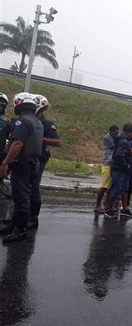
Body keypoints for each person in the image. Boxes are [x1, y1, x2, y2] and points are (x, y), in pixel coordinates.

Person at [0, 93, 43, 243]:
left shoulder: (22, 122)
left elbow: (17, 144)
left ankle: (20, 230)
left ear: (20, 104)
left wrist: (5, 163)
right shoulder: (37, 121)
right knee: (21, 195)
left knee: (21, 197)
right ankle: (14, 224)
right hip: (33, 163)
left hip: (22, 163)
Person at [29, 95, 61, 229]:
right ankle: (20, 216)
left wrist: (40, 138)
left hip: (40, 158)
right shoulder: (29, 121)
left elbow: (57, 142)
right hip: (27, 157)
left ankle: (33, 217)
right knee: (23, 187)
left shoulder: (47, 124)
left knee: (34, 187)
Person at [105, 123, 132, 219]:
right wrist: (126, 165)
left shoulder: (123, 139)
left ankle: (125, 209)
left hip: (123, 170)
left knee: (124, 189)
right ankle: (109, 209)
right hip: (119, 169)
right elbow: (119, 156)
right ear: (130, 132)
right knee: (116, 190)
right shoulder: (124, 141)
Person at [94, 125, 119, 213]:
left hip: (112, 164)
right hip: (107, 164)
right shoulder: (107, 138)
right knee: (104, 186)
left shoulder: (113, 137)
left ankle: (107, 205)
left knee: (109, 187)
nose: (117, 134)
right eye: (116, 133)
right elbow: (115, 146)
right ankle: (97, 206)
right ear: (111, 132)